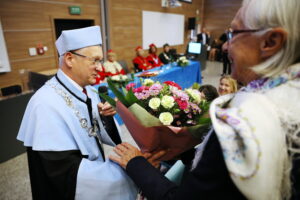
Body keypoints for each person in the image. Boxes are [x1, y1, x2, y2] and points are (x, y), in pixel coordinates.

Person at [110, 0, 300, 199]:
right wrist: (179, 150)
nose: (225, 46)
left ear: (270, 42)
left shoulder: (244, 126)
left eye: (233, 34)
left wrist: (135, 163)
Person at [17, 26, 138, 200]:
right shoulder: (44, 104)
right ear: (69, 59)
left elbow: (92, 130)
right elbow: (64, 174)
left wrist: (105, 119)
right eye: (94, 60)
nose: (99, 67)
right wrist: (128, 174)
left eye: (101, 61)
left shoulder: (88, 90)